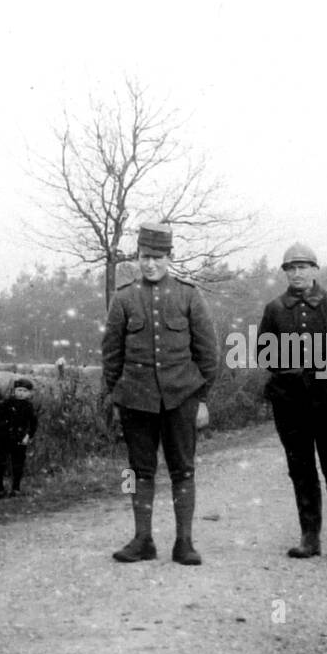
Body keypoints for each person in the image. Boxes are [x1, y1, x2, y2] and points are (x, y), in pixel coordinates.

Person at [103, 222, 220, 565]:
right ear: (137, 257)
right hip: (135, 401)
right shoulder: (123, 298)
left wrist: (201, 399)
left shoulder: (188, 295)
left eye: (157, 256)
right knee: (137, 471)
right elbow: (111, 354)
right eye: (144, 257)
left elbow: (208, 353)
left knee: (183, 469)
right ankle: (142, 539)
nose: (150, 264)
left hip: (181, 400)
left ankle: (184, 542)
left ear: (169, 257)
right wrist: (116, 397)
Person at [258, 242, 327, 565]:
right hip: (289, 403)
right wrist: (289, 372)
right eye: (291, 268)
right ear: (286, 273)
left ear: (315, 269)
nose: (297, 273)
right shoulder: (275, 309)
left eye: (303, 267)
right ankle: (310, 537)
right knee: (300, 467)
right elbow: (265, 353)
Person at [0, 378, 38, 498]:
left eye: (24, 390)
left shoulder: (29, 406)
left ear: (29, 393)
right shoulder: (6, 404)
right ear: (14, 391)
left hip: (20, 438)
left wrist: (28, 436)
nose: (21, 393)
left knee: (18, 463)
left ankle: (16, 488)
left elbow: (33, 424)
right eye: (19, 390)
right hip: (3, 437)